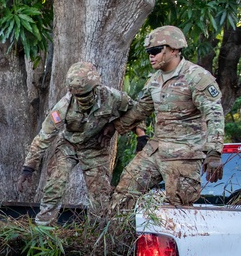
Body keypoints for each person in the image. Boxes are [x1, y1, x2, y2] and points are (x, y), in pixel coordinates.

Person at [111, 25, 225, 212]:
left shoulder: (196, 77)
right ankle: (124, 238)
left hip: (184, 155)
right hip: (156, 150)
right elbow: (141, 109)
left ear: (174, 49)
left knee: (179, 209)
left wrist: (214, 152)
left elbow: (214, 114)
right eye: (149, 52)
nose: (151, 56)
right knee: (122, 196)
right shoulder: (155, 79)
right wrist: (115, 127)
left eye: (156, 51)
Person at [18, 61, 136, 225]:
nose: (83, 99)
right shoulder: (63, 107)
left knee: (100, 193)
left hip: (95, 148)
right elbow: (44, 136)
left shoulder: (113, 97)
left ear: (96, 88)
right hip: (68, 145)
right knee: (55, 183)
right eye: (78, 96)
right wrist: (28, 167)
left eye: (86, 94)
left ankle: (100, 233)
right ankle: (43, 228)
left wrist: (116, 125)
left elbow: (135, 111)